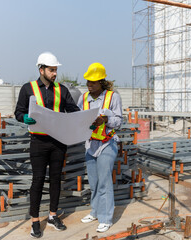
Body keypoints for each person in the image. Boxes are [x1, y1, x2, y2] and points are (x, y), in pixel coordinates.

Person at [14, 52, 80, 238]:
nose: (54, 73)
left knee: (56, 180)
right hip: (39, 142)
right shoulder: (28, 89)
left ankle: (52, 215)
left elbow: (73, 110)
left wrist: (83, 119)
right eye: (51, 70)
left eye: (56, 70)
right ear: (41, 69)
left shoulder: (62, 90)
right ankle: (35, 221)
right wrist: (23, 117)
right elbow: (18, 111)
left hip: (58, 142)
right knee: (38, 181)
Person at [77, 63, 123, 233]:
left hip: (107, 144)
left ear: (102, 82)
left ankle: (106, 218)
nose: (90, 85)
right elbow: (78, 117)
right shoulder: (83, 98)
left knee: (104, 182)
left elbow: (119, 121)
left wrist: (105, 120)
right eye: (88, 81)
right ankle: (95, 212)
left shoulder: (112, 97)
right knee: (94, 182)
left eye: (94, 82)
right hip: (90, 145)